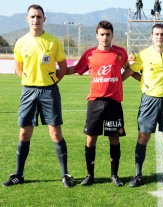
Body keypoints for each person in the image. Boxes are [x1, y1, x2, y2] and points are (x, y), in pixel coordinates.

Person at [2, 4, 73, 187]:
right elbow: (19, 69)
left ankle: (65, 174)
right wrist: (30, 80)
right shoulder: (21, 43)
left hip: (49, 91)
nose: (35, 20)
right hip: (28, 91)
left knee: (55, 133)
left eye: (39, 17)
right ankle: (18, 174)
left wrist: (50, 82)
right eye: (32, 17)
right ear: (27, 19)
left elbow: (63, 67)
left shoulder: (53, 42)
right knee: (24, 133)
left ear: (44, 19)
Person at [67, 20, 140, 187]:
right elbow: (76, 69)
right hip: (95, 102)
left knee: (114, 139)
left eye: (108, 34)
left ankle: (114, 175)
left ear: (112, 35)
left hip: (114, 102)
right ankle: (90, 175)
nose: (105, 37)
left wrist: (120, 80)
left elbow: (130, 68)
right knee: (91, 139)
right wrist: (58, 73)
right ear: (97, 36)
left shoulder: (120, 53)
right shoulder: (90, 54)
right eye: (102, 34)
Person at [122, 23, 163, 187]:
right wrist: (117, 82)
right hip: (149, 100)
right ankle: (138, 174)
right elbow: (131, 70)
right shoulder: (144, 54)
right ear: (152, 36)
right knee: (143, 136)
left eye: (162, 34)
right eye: (156, 34)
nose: (159, 37)